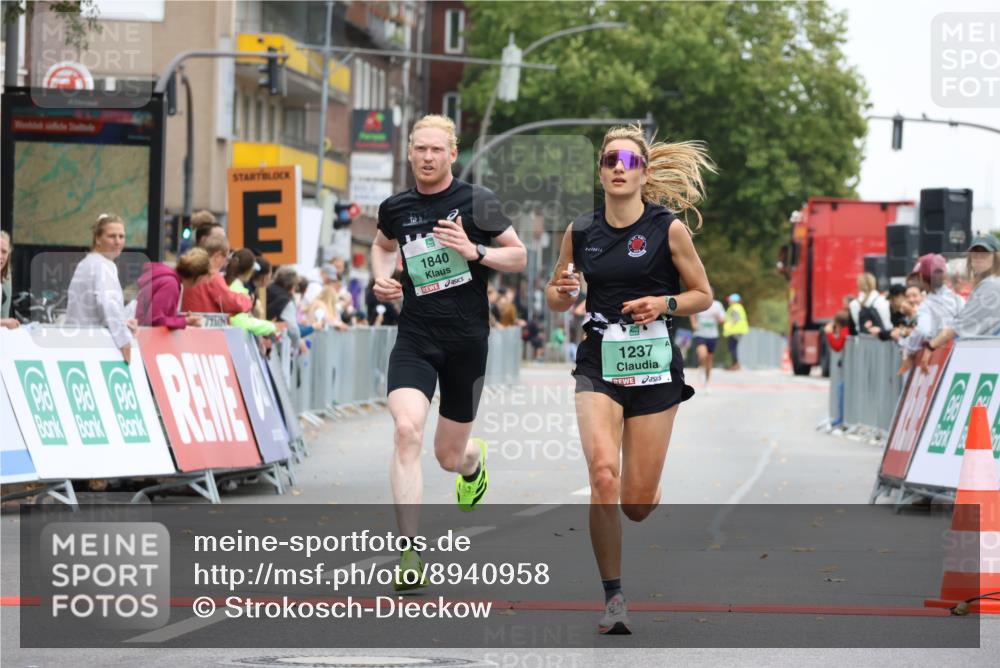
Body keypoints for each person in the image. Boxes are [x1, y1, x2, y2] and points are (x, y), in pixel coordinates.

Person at [547, 124, 714, 634]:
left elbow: (702, 295)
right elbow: (558, 296)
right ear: (600, 171)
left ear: (643, 173)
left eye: (630, 161)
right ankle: (613, 597)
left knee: (636, 503)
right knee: (602, 474)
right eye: (610, 161)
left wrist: (663, 303)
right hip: (600, 359)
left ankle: (645, 492)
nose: (619, 168)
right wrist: (564, 288)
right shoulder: (580, 231)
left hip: (654, 364)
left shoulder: (669, 229)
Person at [370, 114, 527, 590]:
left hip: (466, 343)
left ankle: (472, 462)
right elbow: (381, 245)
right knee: (405, 430)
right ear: (410, 151)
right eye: (420, 149)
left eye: (437, 149)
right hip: (416, 337)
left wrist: (475, 251)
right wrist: (380, 277)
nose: (427, 157)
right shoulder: (395, 206)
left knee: (446, 455)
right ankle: (409, 554)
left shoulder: (477, 202)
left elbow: (518, 256)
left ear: (452, 154)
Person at [919, 235, 1000, 368]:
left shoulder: (992, 284)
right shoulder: (990, 283)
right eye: (974, 254)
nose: (978, 258)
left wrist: (931, 346)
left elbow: (960, 325)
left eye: (984, 253)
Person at [65, 214, 135, 361]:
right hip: (94, 347)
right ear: (97, 238)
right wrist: (124, 341)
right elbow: (108, 305)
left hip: (77, 344)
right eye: (112, 236)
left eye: (121, 236)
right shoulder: (103, 265)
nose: (118, 242)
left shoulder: (87, 263)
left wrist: (125, 321)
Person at [898, 253, 965, 375]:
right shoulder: (959, 300)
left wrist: (909, 349)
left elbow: (922, 331)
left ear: (923, 279)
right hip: (959, 360)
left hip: (936, 362)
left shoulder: (927, 304)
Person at [136, 248, 211, 329]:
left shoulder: (167, 276)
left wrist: (183, 319)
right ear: (197, 277)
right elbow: (156, 320)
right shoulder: (170, 284)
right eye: (200, 282)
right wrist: (185, 321)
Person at [181, 233, 251, 315]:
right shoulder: (212, 275)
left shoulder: (191, 270)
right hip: (207, 325)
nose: (226, 263)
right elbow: (230, 302)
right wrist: (247, 300)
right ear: (218, 255)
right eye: (226, 257)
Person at [224, 249, 276, 336]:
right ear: (250, 270)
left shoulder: (233, 286)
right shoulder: (238, 290)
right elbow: (243, 323)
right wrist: (272, 327)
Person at [267, 267, 307, 356]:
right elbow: (292, 330)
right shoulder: (286, 300)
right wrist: (297, 344)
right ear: (292, 285)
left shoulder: (266, 290)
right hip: (276, 348)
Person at [690, 293, 725, 392]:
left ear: (712, 295)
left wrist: (717, 317)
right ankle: (701, 366)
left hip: (712, 335)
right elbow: (692, 312)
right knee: (702, 355)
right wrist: (694, 323)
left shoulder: (717, 305)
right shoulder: (699, 303)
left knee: (709, 359)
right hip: (700, 334)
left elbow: (722, 320)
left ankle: (707, 381)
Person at [722, 293, 748, 370]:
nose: (728, 301)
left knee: (732, 348)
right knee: (733, 347)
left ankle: (736, 364)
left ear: (734, 301)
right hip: (738, 330)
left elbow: (735, 319)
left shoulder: (734, 308)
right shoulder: (739, 307)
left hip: (735, 331)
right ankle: (735, 364)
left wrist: (729, 326)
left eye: (730, 300)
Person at [1, 230, 18, 329]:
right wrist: (5, 322)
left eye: (4, 252)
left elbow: (4, 313)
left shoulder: (6, 276)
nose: (0, 256)